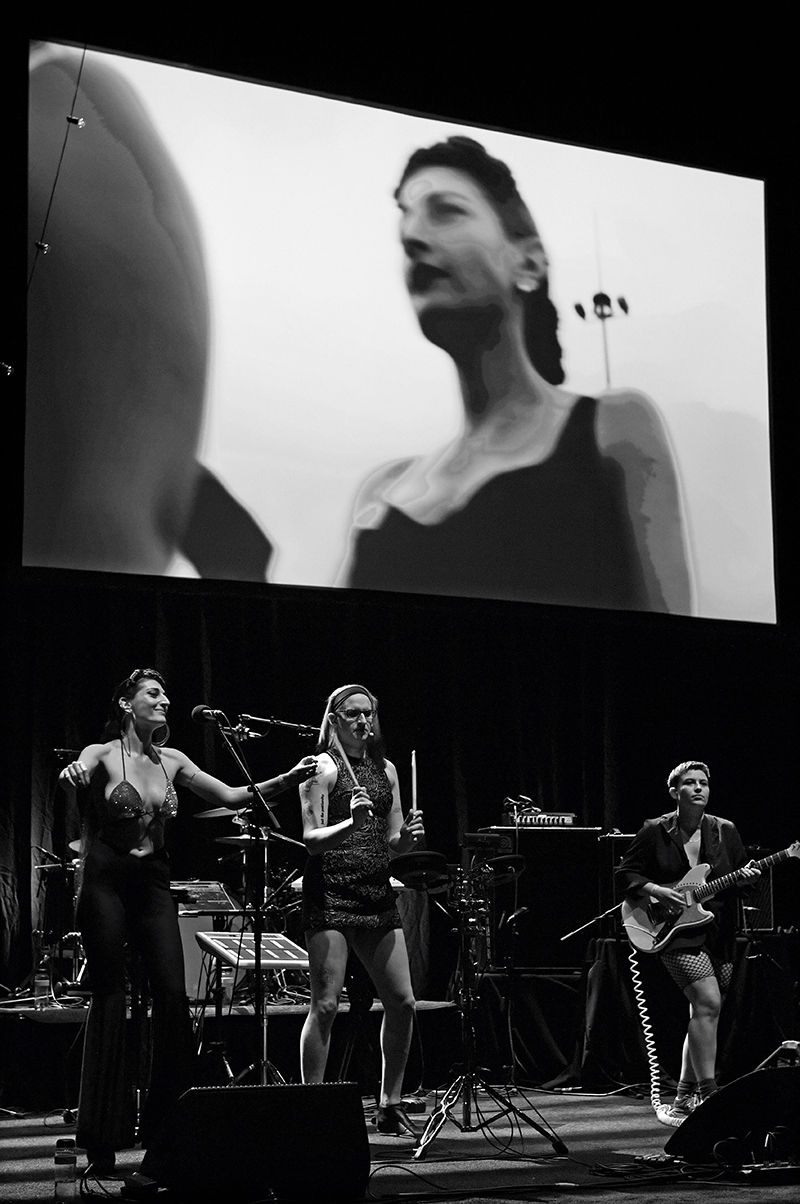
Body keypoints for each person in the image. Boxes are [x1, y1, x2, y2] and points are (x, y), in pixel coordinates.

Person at [339, 135, 692, 614]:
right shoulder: (379, 491)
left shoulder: (614, 428)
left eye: (446, 210)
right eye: (406, 215)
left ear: (527, 260)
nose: (411, 235)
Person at [58, 668, 317, 1172]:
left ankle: (168, 1128)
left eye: (165, 694)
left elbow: (233, 796)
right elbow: (80, 767)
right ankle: (102, 1137)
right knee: (111, 993)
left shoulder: (173, 760)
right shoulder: (102, 752)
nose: (165, 700)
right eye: (153, 693)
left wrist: (289, 777)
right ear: (126, 702)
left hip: (154, 881)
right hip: (106, 879)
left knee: (173, 996)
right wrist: (74, 773)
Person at [298, 684, 425, 1135]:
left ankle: (390, 1104)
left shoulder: (385, 769)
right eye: (353, 715)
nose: (363, 723)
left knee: (403, 1002)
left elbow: (391, 843)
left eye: (368, 714)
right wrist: (351, 822)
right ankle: (311, 1102)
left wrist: (406, 838)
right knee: (327, 1004)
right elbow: (311, 841)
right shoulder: (321, 770)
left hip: (373, 889)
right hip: (330, 890)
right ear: (333, 719)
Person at [616, 760, 760, 1126]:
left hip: (716, 929)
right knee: (708, 1001)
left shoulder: (724, 830)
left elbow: (742, 879)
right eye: (690, 783)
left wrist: (746, 877)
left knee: (705, 1012)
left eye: (704, 783)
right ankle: (710, 1095)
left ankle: (681, 1099)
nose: (699, 788)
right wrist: (657, 891)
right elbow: (625, 873)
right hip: (672, 930)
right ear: (674, 791)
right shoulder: (655, 830)